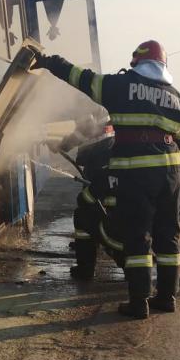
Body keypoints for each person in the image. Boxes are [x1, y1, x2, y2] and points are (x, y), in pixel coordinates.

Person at [35, 40, 180, 318]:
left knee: (138, 237)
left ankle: (139, 301)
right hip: (171, 176)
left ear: (137, 64)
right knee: (168, 237)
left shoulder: (120, 87)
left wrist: (49, 61)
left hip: (136, 174)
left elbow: (80, 78)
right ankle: (167, 297)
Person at [55, 115, 124, 280]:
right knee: (96, 201)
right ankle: (99, 243)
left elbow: (85, 128)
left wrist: (61, 145)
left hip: (97, 154)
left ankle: (87, 266)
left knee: (85, 209)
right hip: (101, 153)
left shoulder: (93, 108)